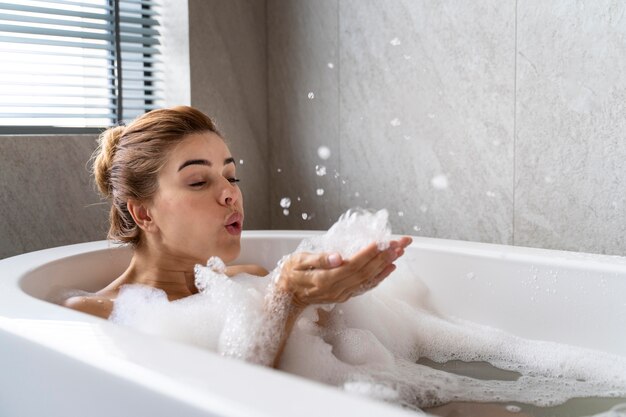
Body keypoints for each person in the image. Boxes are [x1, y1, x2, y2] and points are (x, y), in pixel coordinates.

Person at [63, 105, 412, 368]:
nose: (230, 193)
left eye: (231, 177)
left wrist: (337, 293)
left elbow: (334, 363)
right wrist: (287, 300)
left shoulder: (251, 282)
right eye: (199, 181)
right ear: (143, 213)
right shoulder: (93, 316)